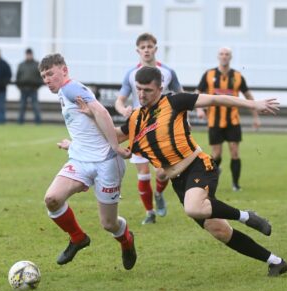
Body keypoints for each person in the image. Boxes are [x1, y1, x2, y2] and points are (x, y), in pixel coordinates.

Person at [117, 66, 287, 276]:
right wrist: (80, 140)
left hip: (198, 166)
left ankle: (246, 216)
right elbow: (114, 136)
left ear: (160, 88)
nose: (142, 94)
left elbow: (216, 100)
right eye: (139, 89)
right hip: (178, 182)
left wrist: (253, 104)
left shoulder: (174, 101)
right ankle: (275, 262)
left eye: (148, 90)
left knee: (193, 207)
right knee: (220, 231)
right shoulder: (136, 119)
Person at [38, 53, 136, 270]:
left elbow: (101, 112)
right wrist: (72, 145)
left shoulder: (70, 88)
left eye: (50, 73)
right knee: (52, 199)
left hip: (106, 162)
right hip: (81, 159)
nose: (47, 79)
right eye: (44, 76)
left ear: (64, 70)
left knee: (109, 224)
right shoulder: (65, 92)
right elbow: (87, 124)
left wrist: (115, 146)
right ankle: (78, 237)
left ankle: (126, 239)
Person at [115, 32, 183, 225]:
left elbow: (180, 94)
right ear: (138, 50)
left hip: (162, 127)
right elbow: (120, 100)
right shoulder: (131, 74)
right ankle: (150, 212)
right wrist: (123, 110)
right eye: (143, 47)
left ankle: (159, 193)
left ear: (155, 49)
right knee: (143, 173)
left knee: (163, 172)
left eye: (149, 46)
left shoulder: (168, 72)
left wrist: (184, 117)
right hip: (138, 127)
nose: (146, 50)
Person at [196, 47, 261, 191]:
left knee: (235, 152)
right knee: (216, 154)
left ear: (230, 57)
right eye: (221, 54)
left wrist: (256, 117)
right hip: (214, 120)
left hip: (233, 121)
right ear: (218, 56)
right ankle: (212, 178)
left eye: (227, 54)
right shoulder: (209, 74)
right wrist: (199, 109)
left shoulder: (237, 76)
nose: (224, 56)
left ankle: (236, 185)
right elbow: (197, 93)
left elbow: (248, 96)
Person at [16, 48, 43, 124]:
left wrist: (37, 86)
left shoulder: (37, 65)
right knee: (22, 107)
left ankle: (38, 122)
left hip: (33, 89)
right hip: (23, 89)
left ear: (32, 55)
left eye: (29, 54)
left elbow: (41, 77)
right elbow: (18, 77)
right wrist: (20, 87)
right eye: (27, 54)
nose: (28, 56)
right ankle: (20, 122)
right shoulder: (21, 65)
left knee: (35, 106)